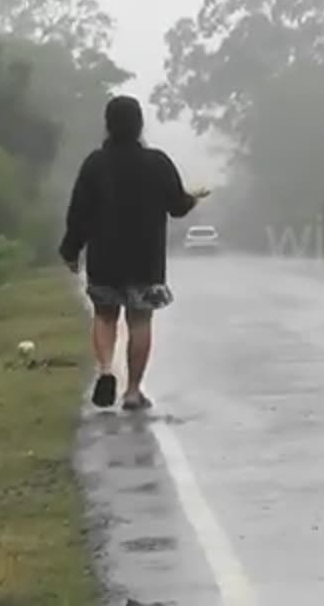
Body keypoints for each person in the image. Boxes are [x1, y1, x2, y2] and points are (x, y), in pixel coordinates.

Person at [59, 95, 209, 410]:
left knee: (104, 315)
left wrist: (71, 251)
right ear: (140, 125)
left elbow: (79, 214)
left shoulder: (95, 164)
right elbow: (177, 207)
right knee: (140, 321)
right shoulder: (157, 163)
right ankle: (132, 391)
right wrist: (192, 198)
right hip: (145, 260)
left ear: (108, 125)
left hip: (104, 259)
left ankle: (104, 371)